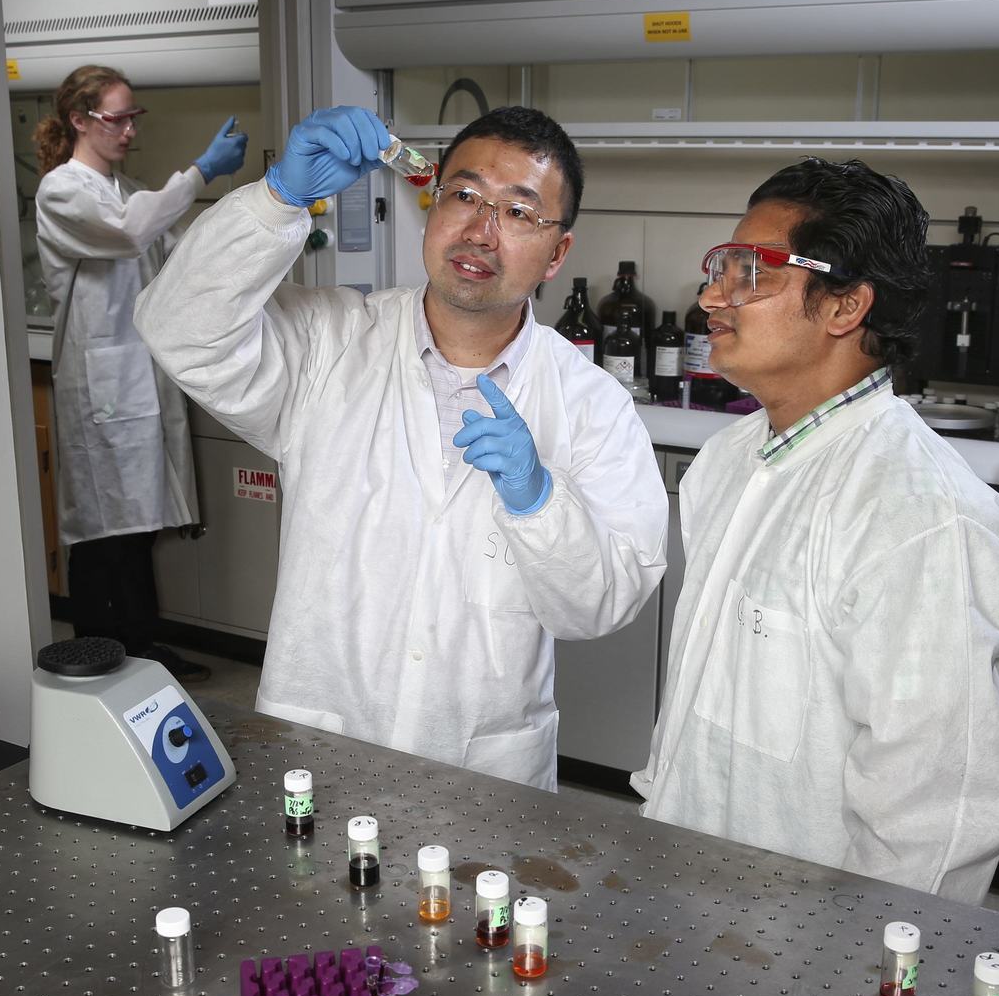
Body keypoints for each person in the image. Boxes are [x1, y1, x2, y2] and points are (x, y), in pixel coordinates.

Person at [133, 105, 666, 790]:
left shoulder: (594, 405)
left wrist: (539, 502)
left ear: (558, 254)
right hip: (319, 746)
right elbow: (179, 328)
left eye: (519, 213)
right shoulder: (330, 341)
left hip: (482, 769)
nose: (481, 230)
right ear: (433, 203)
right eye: (464, 195)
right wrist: (276, 202)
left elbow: (600, 604)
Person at [631, 157, 999, 904]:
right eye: (721, 268)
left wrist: (862, 985)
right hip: (692, 884)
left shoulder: (923, 521)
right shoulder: (725, 460)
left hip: (811, 941)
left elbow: (936, 825)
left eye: (750, 272)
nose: (711, 295)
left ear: (845, 307)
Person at [33, 64, 247, 681]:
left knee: (136, 527)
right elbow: (129, 236)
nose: (129, 130)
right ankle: (100, 653)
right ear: (80, 120)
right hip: (99, 385)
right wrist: (202, 171)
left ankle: (140, 648)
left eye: (134, 117)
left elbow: (174, 250)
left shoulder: (130, 191)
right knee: (104, 533)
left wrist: (252, 214)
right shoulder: (62, 191)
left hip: (139, 377)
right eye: (116, 118)